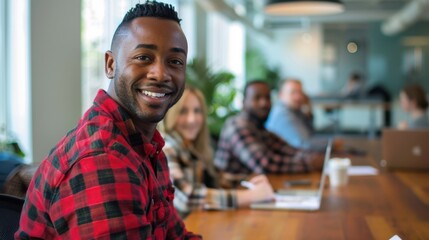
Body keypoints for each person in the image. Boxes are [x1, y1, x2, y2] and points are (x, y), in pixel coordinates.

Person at [16, 2, 200, 239]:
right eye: (144, 57)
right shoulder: (103, 158)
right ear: (111, 64)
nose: (160, 74)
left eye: (175, 61)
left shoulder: (145, 145)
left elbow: (176, 236)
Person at [160, 87, 274, 218]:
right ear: (170, 114)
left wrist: (249, 181)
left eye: (197, 111)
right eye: (183, 111)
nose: (192, 119)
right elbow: (186, 198)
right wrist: (250, 196)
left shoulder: (191, 147)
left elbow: (218, 179)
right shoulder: (166, 148)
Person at [214, 80, 325, 186]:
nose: (264, 103)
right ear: (244, 103)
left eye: (267, 98)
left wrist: (317, 158)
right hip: (233, 194)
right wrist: (310, 163)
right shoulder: (237, 126)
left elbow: (288, 150)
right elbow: (265, 164)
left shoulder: (259, 127)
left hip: (254, 191)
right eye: (257, 98)